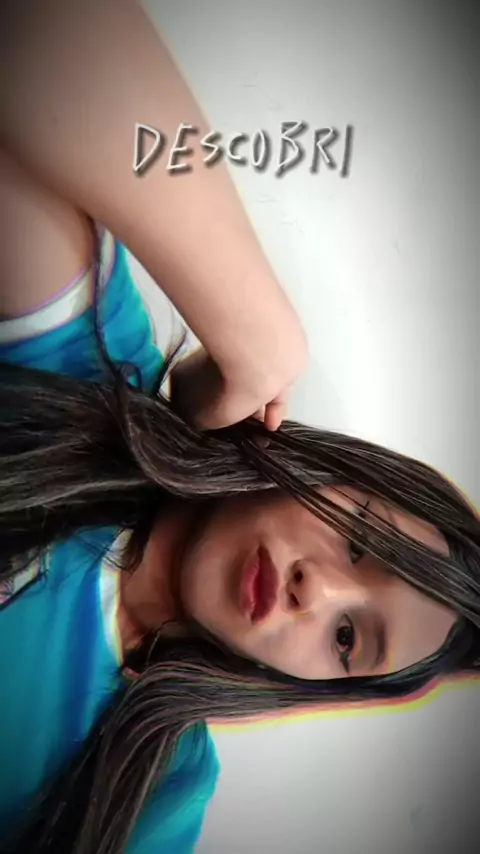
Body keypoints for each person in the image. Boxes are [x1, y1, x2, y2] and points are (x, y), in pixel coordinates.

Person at [0, 3, 479, 854]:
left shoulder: (145, 789)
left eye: (346, 639)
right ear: (335, 471)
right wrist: (261, 335)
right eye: (359, 539)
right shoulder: (96, 377)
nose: (315, 593)